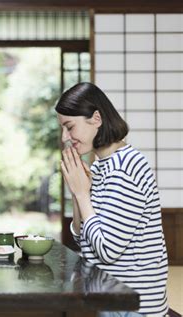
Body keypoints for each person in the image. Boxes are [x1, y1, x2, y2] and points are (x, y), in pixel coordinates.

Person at [56, 82, 168, 316]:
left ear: (96, 119)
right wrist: (78, 193)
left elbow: (106, 249)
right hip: (108, 296)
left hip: (133, 306)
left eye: (70, 127)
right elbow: (83, 239)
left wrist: (81, 193)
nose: (66, 137)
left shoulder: (126, 166)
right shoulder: (102, 165)